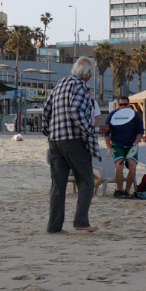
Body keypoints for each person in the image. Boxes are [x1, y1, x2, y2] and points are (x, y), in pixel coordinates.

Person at [41, 56, 100, 234]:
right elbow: (75, 110)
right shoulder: (80, 86)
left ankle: (54, 226)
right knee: (87, 180)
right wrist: (91, 128)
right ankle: (81, 221)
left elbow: (46, 109)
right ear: (88, 74)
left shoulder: (60, 84)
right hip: (74, 140)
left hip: (55, 141)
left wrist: (48, 131)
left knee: (58, 184)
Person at [103, 95, 144, 197]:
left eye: (125, 104)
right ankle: (119, 190)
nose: (123, 106)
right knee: (119, 166)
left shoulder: (135, 115)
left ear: (129, 104)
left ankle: (127, 191)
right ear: (118, 105)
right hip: (117, 144)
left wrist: (136, 143)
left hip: (131, 145)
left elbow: (140, 132)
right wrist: (109, 147)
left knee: (132, 166)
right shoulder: (112, 115)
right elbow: (106, 132)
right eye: (121, 104)